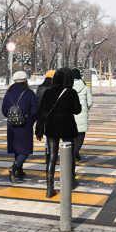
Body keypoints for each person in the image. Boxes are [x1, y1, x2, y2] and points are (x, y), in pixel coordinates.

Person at [35, 68, 82, 198]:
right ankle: (71, 181)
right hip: (68, 128)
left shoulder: (48, 92)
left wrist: (39, 131)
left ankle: (50, 188)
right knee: (70, 156)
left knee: (52, 157)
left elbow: (42, 114)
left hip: (52, 129)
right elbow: (77, 110)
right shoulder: (71, 92)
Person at [2, 71, 39, 183]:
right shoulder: (29, 93)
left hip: (12, 125)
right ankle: (15, 166)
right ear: (25, 80)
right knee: (26, 149)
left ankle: (19, 171)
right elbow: (35, 111)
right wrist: (31, 120)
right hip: (25, 125)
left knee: (17, 148)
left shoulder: (8, 92)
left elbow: (4, 110)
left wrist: (11, 118)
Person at [72, 68, 93, 161]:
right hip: (82, 114)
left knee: (73, 136)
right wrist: (86, 109)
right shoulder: (84, 87)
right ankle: (76, 151)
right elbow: (90, 102)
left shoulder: (68, 87)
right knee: (81, 135)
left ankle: (73, 152)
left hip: (71, 115)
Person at [36, 70, 55, 159]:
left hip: (42, 113)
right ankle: (49, 151)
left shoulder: (40, 87)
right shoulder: (54, 87)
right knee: (50, 135)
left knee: (46, 133)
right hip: (52, 114)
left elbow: (36, 101)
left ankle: (47, 150)